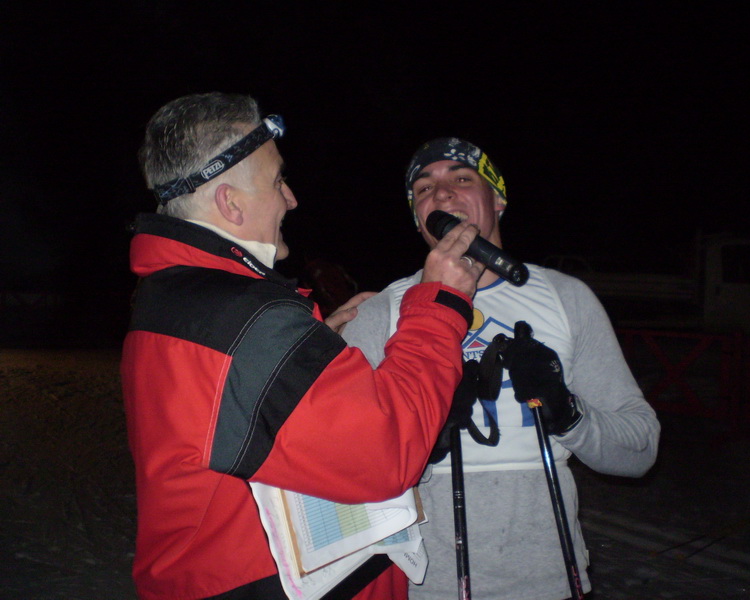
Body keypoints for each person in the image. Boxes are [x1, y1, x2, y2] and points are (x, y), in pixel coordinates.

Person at [121, 95, 485, 600]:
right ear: (230, 202)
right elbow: (386, 455)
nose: (291, 199)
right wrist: (440, 304)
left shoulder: (172, 295)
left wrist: (312, 354)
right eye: (277, 182)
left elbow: (229, 408)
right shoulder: (245, 320)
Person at [342, 137, 661, 600]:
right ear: (417, 218)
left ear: (499, 199)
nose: (442, 193)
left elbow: (641, 451)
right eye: (424, 188)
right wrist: (420, 445)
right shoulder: (381, 312)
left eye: (462, 179)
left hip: (548, 581)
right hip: (424, 587)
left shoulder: (566, 297)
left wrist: (567, 413)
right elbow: (333, 456)